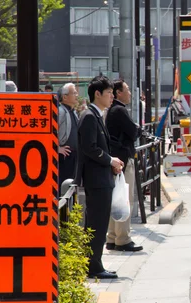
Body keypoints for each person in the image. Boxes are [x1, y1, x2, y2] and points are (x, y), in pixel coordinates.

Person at [77, 75, 124, 279]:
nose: (112, 98)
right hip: (96, 180)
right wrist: (110, 160)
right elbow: (90, 148)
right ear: (97, 94)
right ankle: (93, 267)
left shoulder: (97, 115)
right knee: (96, 224)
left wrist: (111, 161)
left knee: (99, 223)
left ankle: (95, 263)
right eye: (109, 94)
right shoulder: (89, 116)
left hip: (101, 178)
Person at [106, 79, 143, 252]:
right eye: (127, 90)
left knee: (116, 199)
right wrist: (137, 129)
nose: (130, 93)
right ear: (118, 93)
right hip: (123, 159)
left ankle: (112, 237)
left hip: (114, 159)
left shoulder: (111, 110)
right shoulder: (120, 110)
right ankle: (123, 239)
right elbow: (133, 131)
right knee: (125, 199)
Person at [57, 83, 79, 193]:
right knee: (63, 186)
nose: (77, 95)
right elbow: (51, 133)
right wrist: (57, 148)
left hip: (73, 156)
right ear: (65, 97)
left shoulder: (73, 111)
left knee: (71, 187)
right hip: (64, 157)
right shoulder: (60, 111)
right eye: (74, 93)